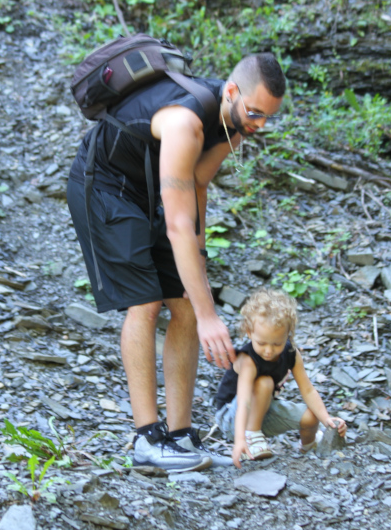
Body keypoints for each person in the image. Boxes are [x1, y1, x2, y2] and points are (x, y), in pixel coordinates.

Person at [67, 53, 286, 471]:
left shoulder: (233, 125)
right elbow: (179, 225)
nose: (259, 125)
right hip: (105, 186)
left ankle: (181, 437)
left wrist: (197, 273)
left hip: (151, 189)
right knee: (146, 301)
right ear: (232, 91)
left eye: (267, 118)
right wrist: (210, 317)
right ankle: (146, 439)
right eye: (255, 113)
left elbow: (197, 186)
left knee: (184, 302)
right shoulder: (186, 122)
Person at [213, 287, 347, 467]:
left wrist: (327, 420)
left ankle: (309, 447)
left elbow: (307, 390)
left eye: (277, 344)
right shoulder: (248, 360)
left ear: (288, 335)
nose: (269, 351)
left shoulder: (291, 353)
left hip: (262, 410)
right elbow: (244, 401)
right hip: (232, 417)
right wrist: (239, 440)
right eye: (261, 343)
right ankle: (252, 437)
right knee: (265, 381)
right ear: (249, 331)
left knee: (311, 416)